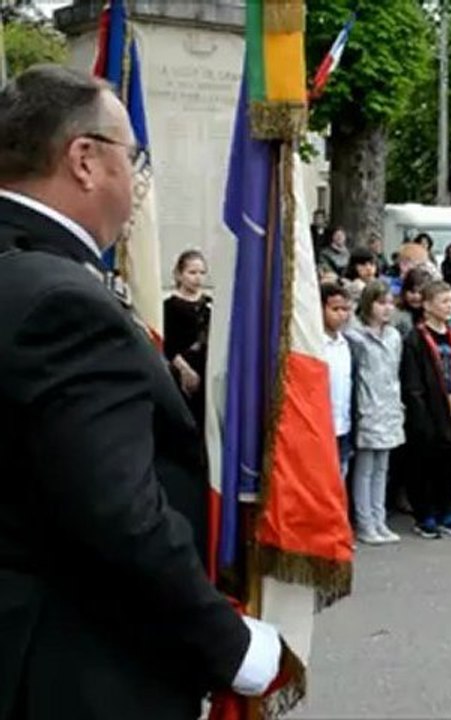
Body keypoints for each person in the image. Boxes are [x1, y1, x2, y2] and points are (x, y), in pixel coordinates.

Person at [0, 65, 280, 719]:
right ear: (85, 161)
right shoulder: (62, 300)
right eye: (134, 155)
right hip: (71, 668)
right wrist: (231, 644)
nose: (138, 178)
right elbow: (118, 513)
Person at [400, 281, 451, 538]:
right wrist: (420, 414)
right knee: (426, 462)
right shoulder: (416, 338)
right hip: (429, 407)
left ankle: (447, 510)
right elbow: (413, 383)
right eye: (443, 301)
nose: (449, 306)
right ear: (427, 305)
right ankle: (425, 514)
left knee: (450, 460)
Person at [345, 281, 405, 545]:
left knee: (383, 467)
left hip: (390, 405)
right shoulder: (355, 337)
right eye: (381, 303)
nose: (386, 309)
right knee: (365, 467)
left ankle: (380, 520)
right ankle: (365, 522)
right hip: (367, 407)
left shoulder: (393, 336)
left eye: (390, 303)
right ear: (368, 305)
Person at [163, 249, 212, 427]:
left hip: (207, 369)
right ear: (179, 274)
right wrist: (185, 370)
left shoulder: (209, 305)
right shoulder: (170, 306)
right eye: (192, 272)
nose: (197, 278)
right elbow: (168, 344)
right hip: (182, 368)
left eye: (201, 273)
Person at [321, 283, 354, 484]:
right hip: (323, 426)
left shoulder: (346, 344)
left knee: (340, 475)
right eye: (335, 309)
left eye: (345, 309)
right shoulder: (317, 346)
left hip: (344, 424)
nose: (341, 315)